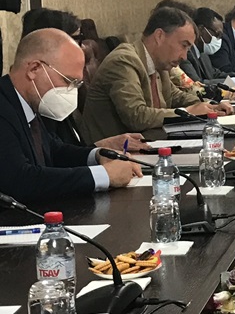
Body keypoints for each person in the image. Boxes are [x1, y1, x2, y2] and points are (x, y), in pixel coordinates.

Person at [0, 29, 141, 201]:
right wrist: (104, 175)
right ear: (34, 69)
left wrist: (97, 155)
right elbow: (20, 179)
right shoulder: (4, 106)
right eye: (68, 81)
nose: (71, 91)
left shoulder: (27, 102)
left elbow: (54, 151)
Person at [80, 7, 231, 143]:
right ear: (159, 36)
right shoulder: (124, 61)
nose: (185, 56)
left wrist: (211, 105)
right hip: (116, 153)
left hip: (150, 142)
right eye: (183, 45)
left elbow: (175, 96)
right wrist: (189, 112)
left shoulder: (159, 63)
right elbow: (136, 116)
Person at [20, 8, 151, 152]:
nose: (82, 47)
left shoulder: (53, 99)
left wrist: (102, 148)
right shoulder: (40, 102)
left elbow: (65, 152)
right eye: (77, 39)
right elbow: (52, 161)